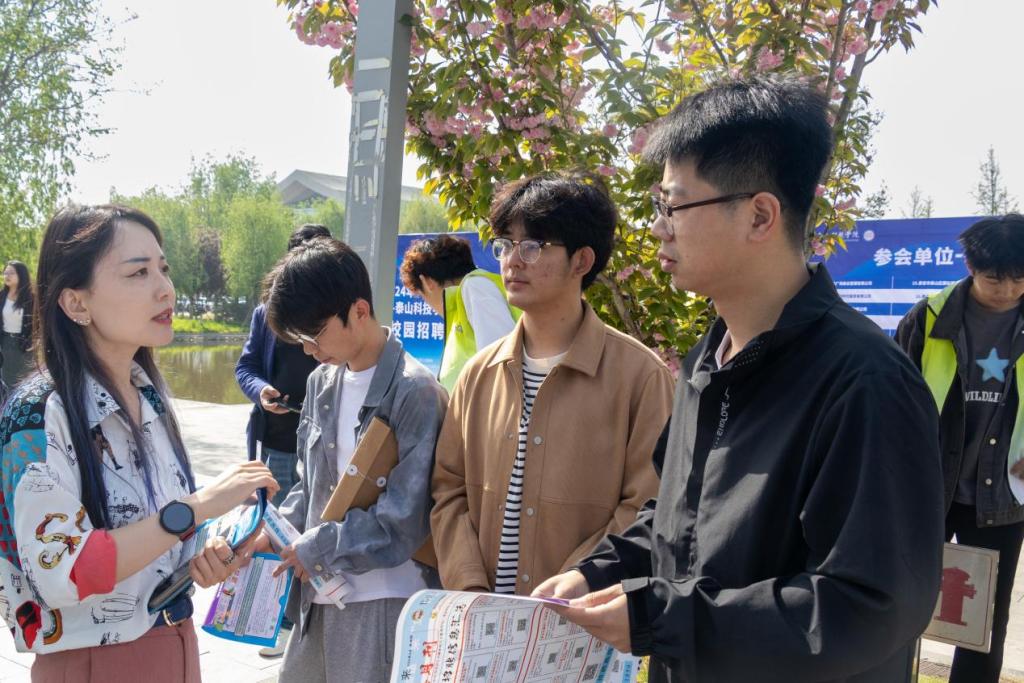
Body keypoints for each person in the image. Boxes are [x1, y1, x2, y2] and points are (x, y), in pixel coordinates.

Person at [533, 77, 945, 683]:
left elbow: (870, 605)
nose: (658, 228)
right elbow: (679, 519)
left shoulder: (865, 382)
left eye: (673, 207)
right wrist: (600, 572)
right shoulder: (709, 359)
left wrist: (666, 618)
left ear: (759, 216)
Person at [0, 204, 277, 682]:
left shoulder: (147, 393)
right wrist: (198, 507)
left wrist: (209, 550)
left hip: (176, 642)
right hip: (94, 663)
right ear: (76, 303)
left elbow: (162, 530)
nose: (165, 288)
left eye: (163, 269)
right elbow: (64, 571)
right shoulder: (39, 414)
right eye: (138, 272)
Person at [430, 172, 674, 597]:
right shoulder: (479, 374)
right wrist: (469, 583)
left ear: (582, 261)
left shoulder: (641, 377)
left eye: (532, 246)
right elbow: (448, 491)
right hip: (485, 619)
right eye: (505, 245)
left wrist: (579, 581)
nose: (512, 261)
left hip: (580, 622)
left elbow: (648, 506)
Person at [257, 237, 448, 683]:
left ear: (360, 311)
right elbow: (308, 488)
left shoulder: (416, 391)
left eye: (314, 335)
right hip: (317, 593)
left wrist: (317, 547)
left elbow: (405, 519)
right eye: (301, 339)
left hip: (383, 600)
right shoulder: (322, 382)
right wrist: (268, 533)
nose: (309, 350)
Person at [896, 213, 1024, 683]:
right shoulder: (928, 317)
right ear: (970, 266)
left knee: (985, 623)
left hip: (1003, 496)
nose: (1007, 290)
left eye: (1019, 279)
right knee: (899, 602)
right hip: (925, 491)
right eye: (995, 278)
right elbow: (890, 399)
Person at [234, 222, 330, 658]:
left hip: (322, 442)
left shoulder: (334, 312)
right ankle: (277, 622)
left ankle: (300, 623)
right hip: (277, 441)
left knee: (310, 531)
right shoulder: (265, 313)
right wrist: (261, 392)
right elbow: (246, 367)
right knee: (276, 530)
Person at [399, 234, 518, 391]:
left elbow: (501, 364)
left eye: (422, 296)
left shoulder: (475, 287)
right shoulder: (464, 304)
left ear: (427, 282)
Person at [1, 259, 35, 386]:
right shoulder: (1, 296)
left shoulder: (31, 298)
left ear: (21, 275)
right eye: (5, 273)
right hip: (5, 342)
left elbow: (38, 322)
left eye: (11, 273)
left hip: (25, 343)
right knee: (7, 379)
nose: (7, 276)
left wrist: (35, 341)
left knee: (25, 380)